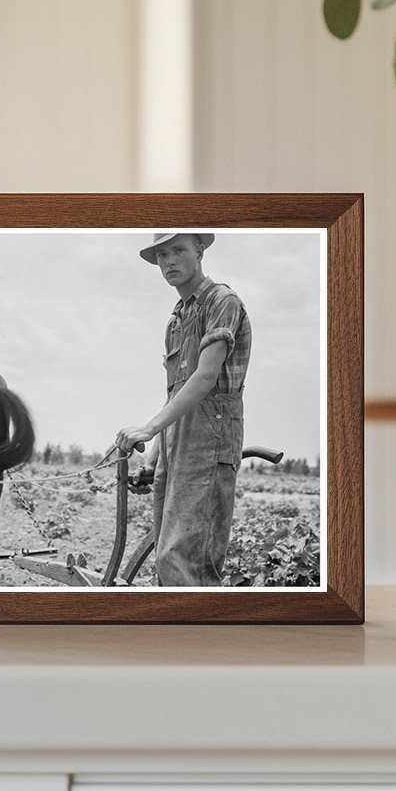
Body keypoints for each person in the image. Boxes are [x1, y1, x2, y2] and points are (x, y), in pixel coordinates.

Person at [115, 232, 252, 586]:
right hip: (176, 447)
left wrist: (146, 429)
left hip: (209, 444)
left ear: (200, 251)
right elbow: (175, 391)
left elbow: (205, 378)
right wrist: (154, 455)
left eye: (178, 250)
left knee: (185, 561)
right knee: (167, 559)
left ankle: (201, 639)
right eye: (162, 254)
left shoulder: (223, 301)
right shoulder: (177, 318)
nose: (169, 261)